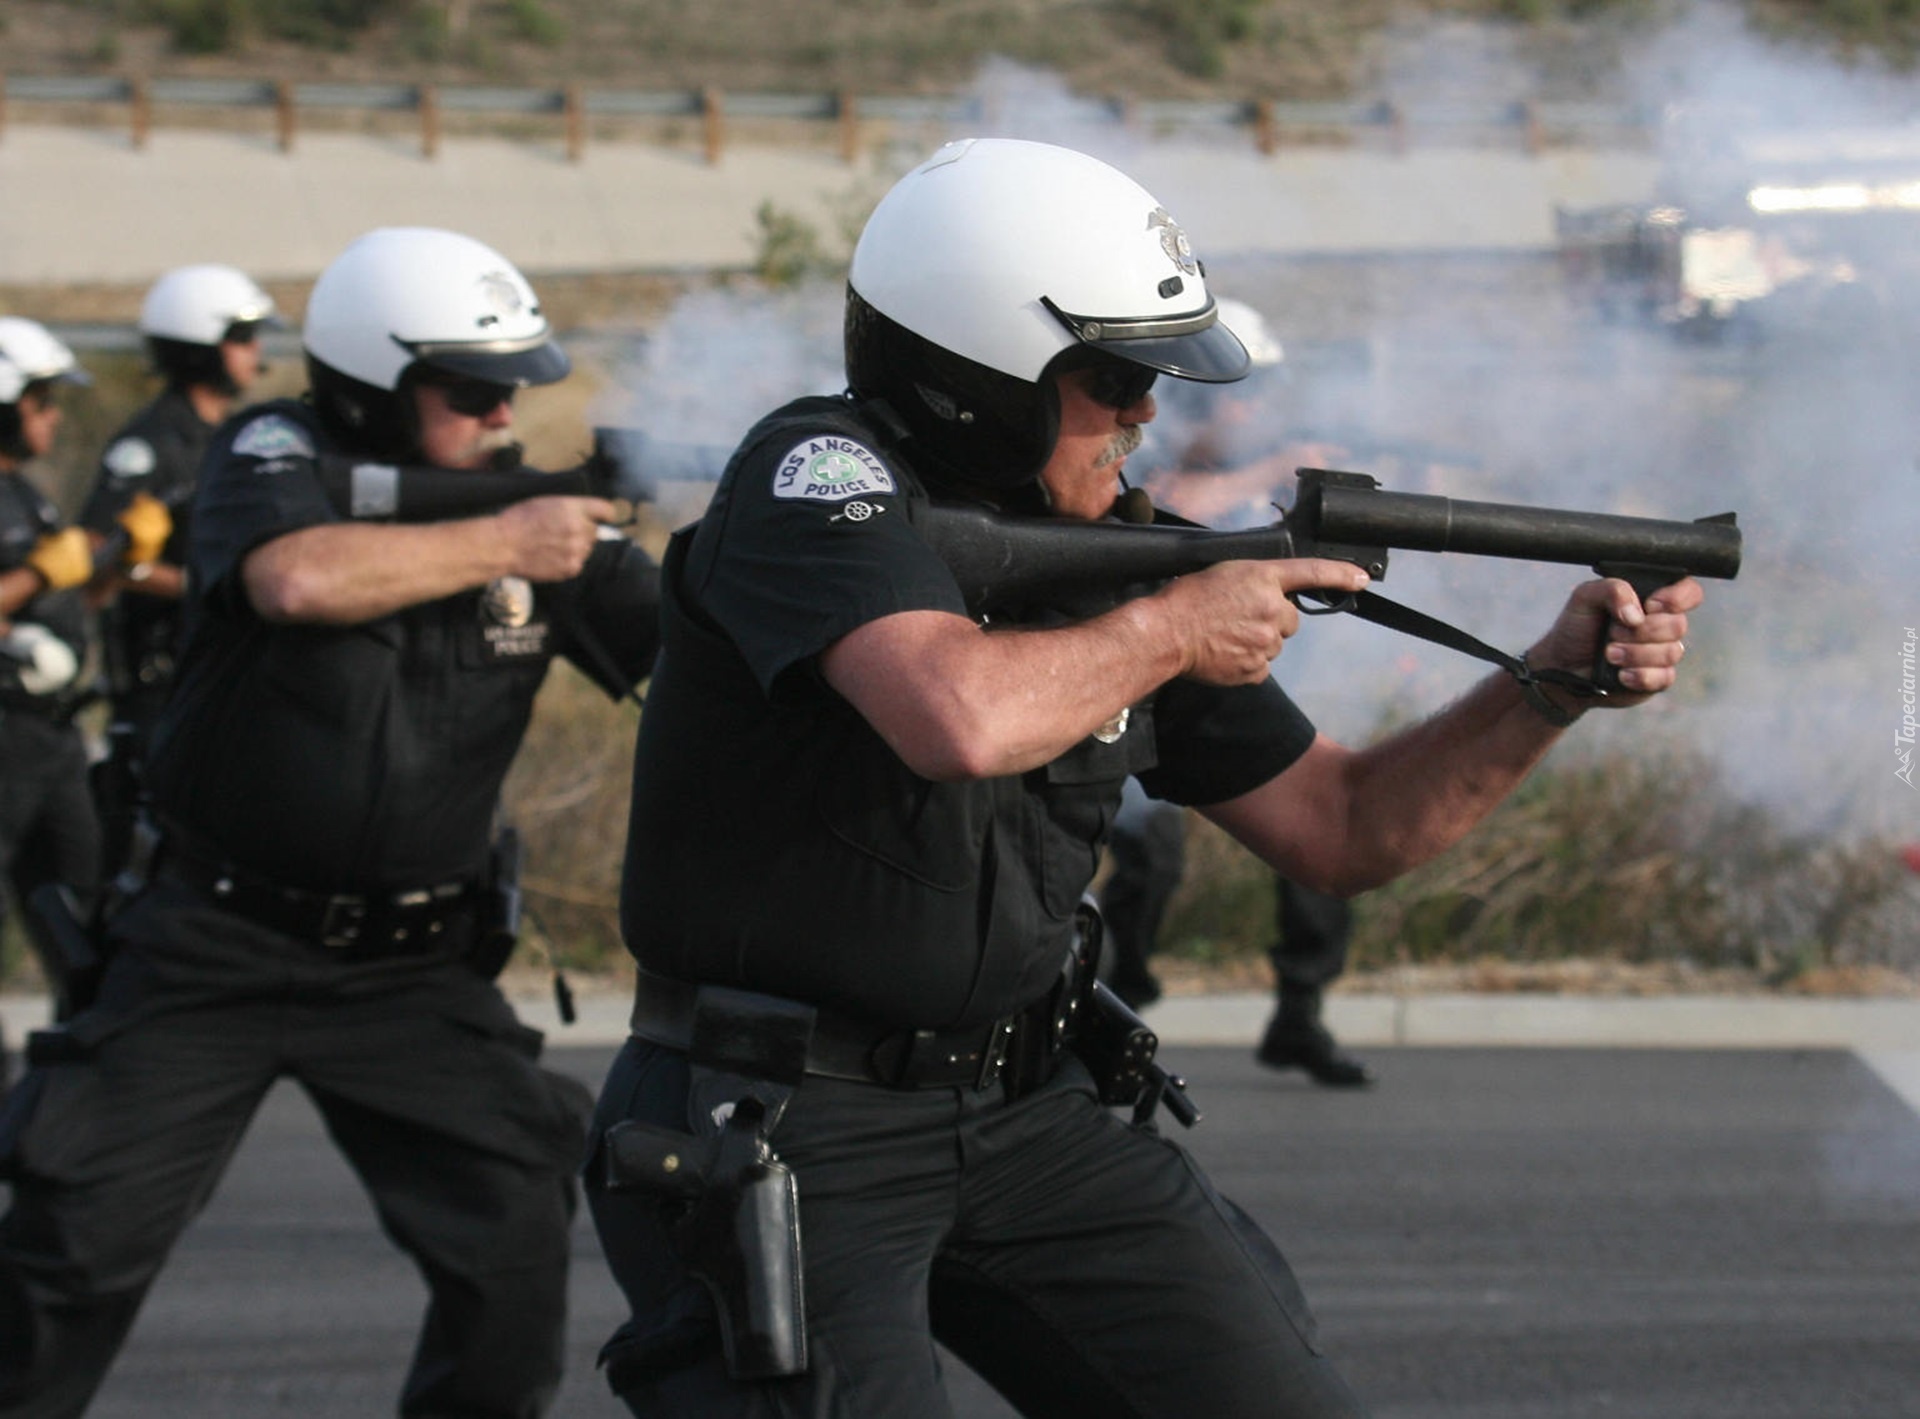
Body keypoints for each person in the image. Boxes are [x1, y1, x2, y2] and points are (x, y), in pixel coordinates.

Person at [584, 137, 1701, 1418]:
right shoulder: (816, 479)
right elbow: (956, 714)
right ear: (975, 377)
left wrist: (1547, 689)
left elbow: (1345, 828)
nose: (1145, 414)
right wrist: (1176, 624)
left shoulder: (1117, 561)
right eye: (1113, 377)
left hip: (1025, 1112)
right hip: (778, 1120)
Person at [0, 227, 662, 1419]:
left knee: (513, 1242)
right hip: (210, 944)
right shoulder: (272, 449)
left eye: (512, 391)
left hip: (410, 970)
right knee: (69, 1244)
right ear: (373, 382)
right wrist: (513, 538)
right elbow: (294, 579)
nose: (503, 420)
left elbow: (698, 651)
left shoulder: (540, 523)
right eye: (471, 391)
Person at [1100, 298, 1375, 1085]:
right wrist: (1266, 468)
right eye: (1235, 397)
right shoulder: (1138, 456)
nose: (1251, 410)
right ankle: (1116, 1003)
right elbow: (1177, 514)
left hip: (1249, 681)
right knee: (1147, 853)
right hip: (1151, 683)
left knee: (1313, 835)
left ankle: (1300, 1008)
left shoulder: (1266, 466)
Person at [77, 265, 279, 878]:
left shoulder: (232, 437)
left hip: (221, 669)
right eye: (243, 338)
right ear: (202, 348)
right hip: (159, 679)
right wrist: (189, 585)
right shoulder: (150, 445)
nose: (256, 352)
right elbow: (94, 561)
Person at [1, 319, 171, 1037]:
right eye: (41, 401)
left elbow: (67, 598)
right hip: (5, 739)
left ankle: (71, 1082)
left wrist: (118, 563)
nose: (52, 416)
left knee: (87, 910)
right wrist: (37, 573)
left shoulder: (26, 496)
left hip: (55, 739)